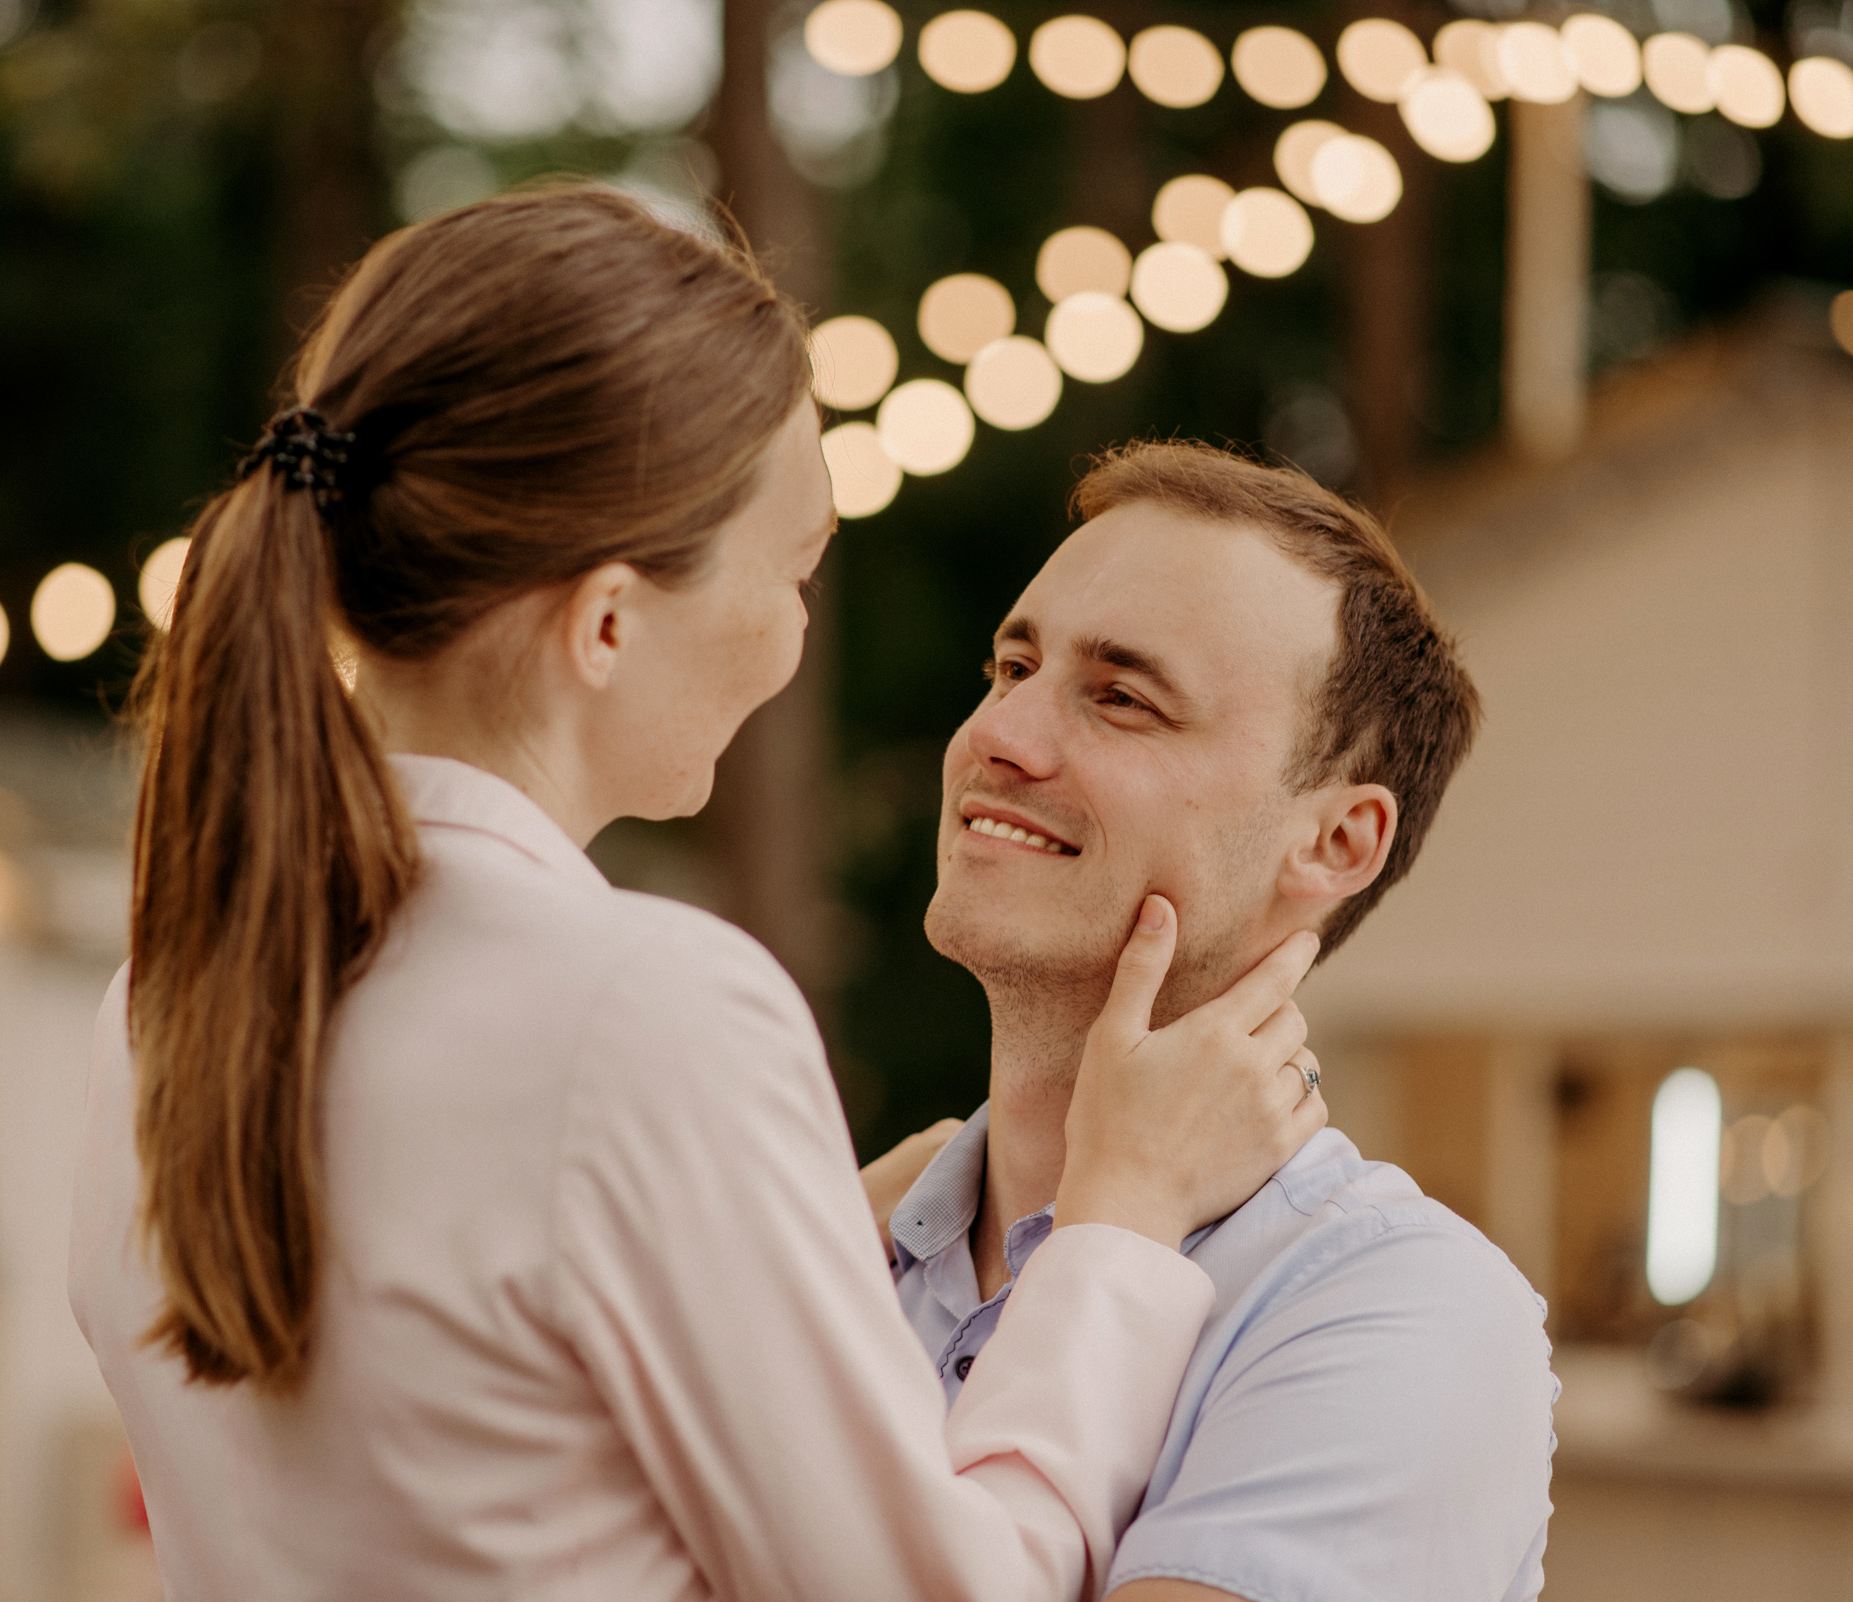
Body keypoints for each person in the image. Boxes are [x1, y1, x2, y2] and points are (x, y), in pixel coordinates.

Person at [68, 187, 1331, 1602]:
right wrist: (1119, 1225)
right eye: (792, 569)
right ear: (608, 621)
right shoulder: (643, 1011)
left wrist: (796, 1234)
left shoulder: (161, 1010)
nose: (796, 632)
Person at [881, 442, 1559, 1602]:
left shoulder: (1394, 1310)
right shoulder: (847, 1247)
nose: (997, 737)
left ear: (1336, 842)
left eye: (1122, 699)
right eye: (1011, 666)